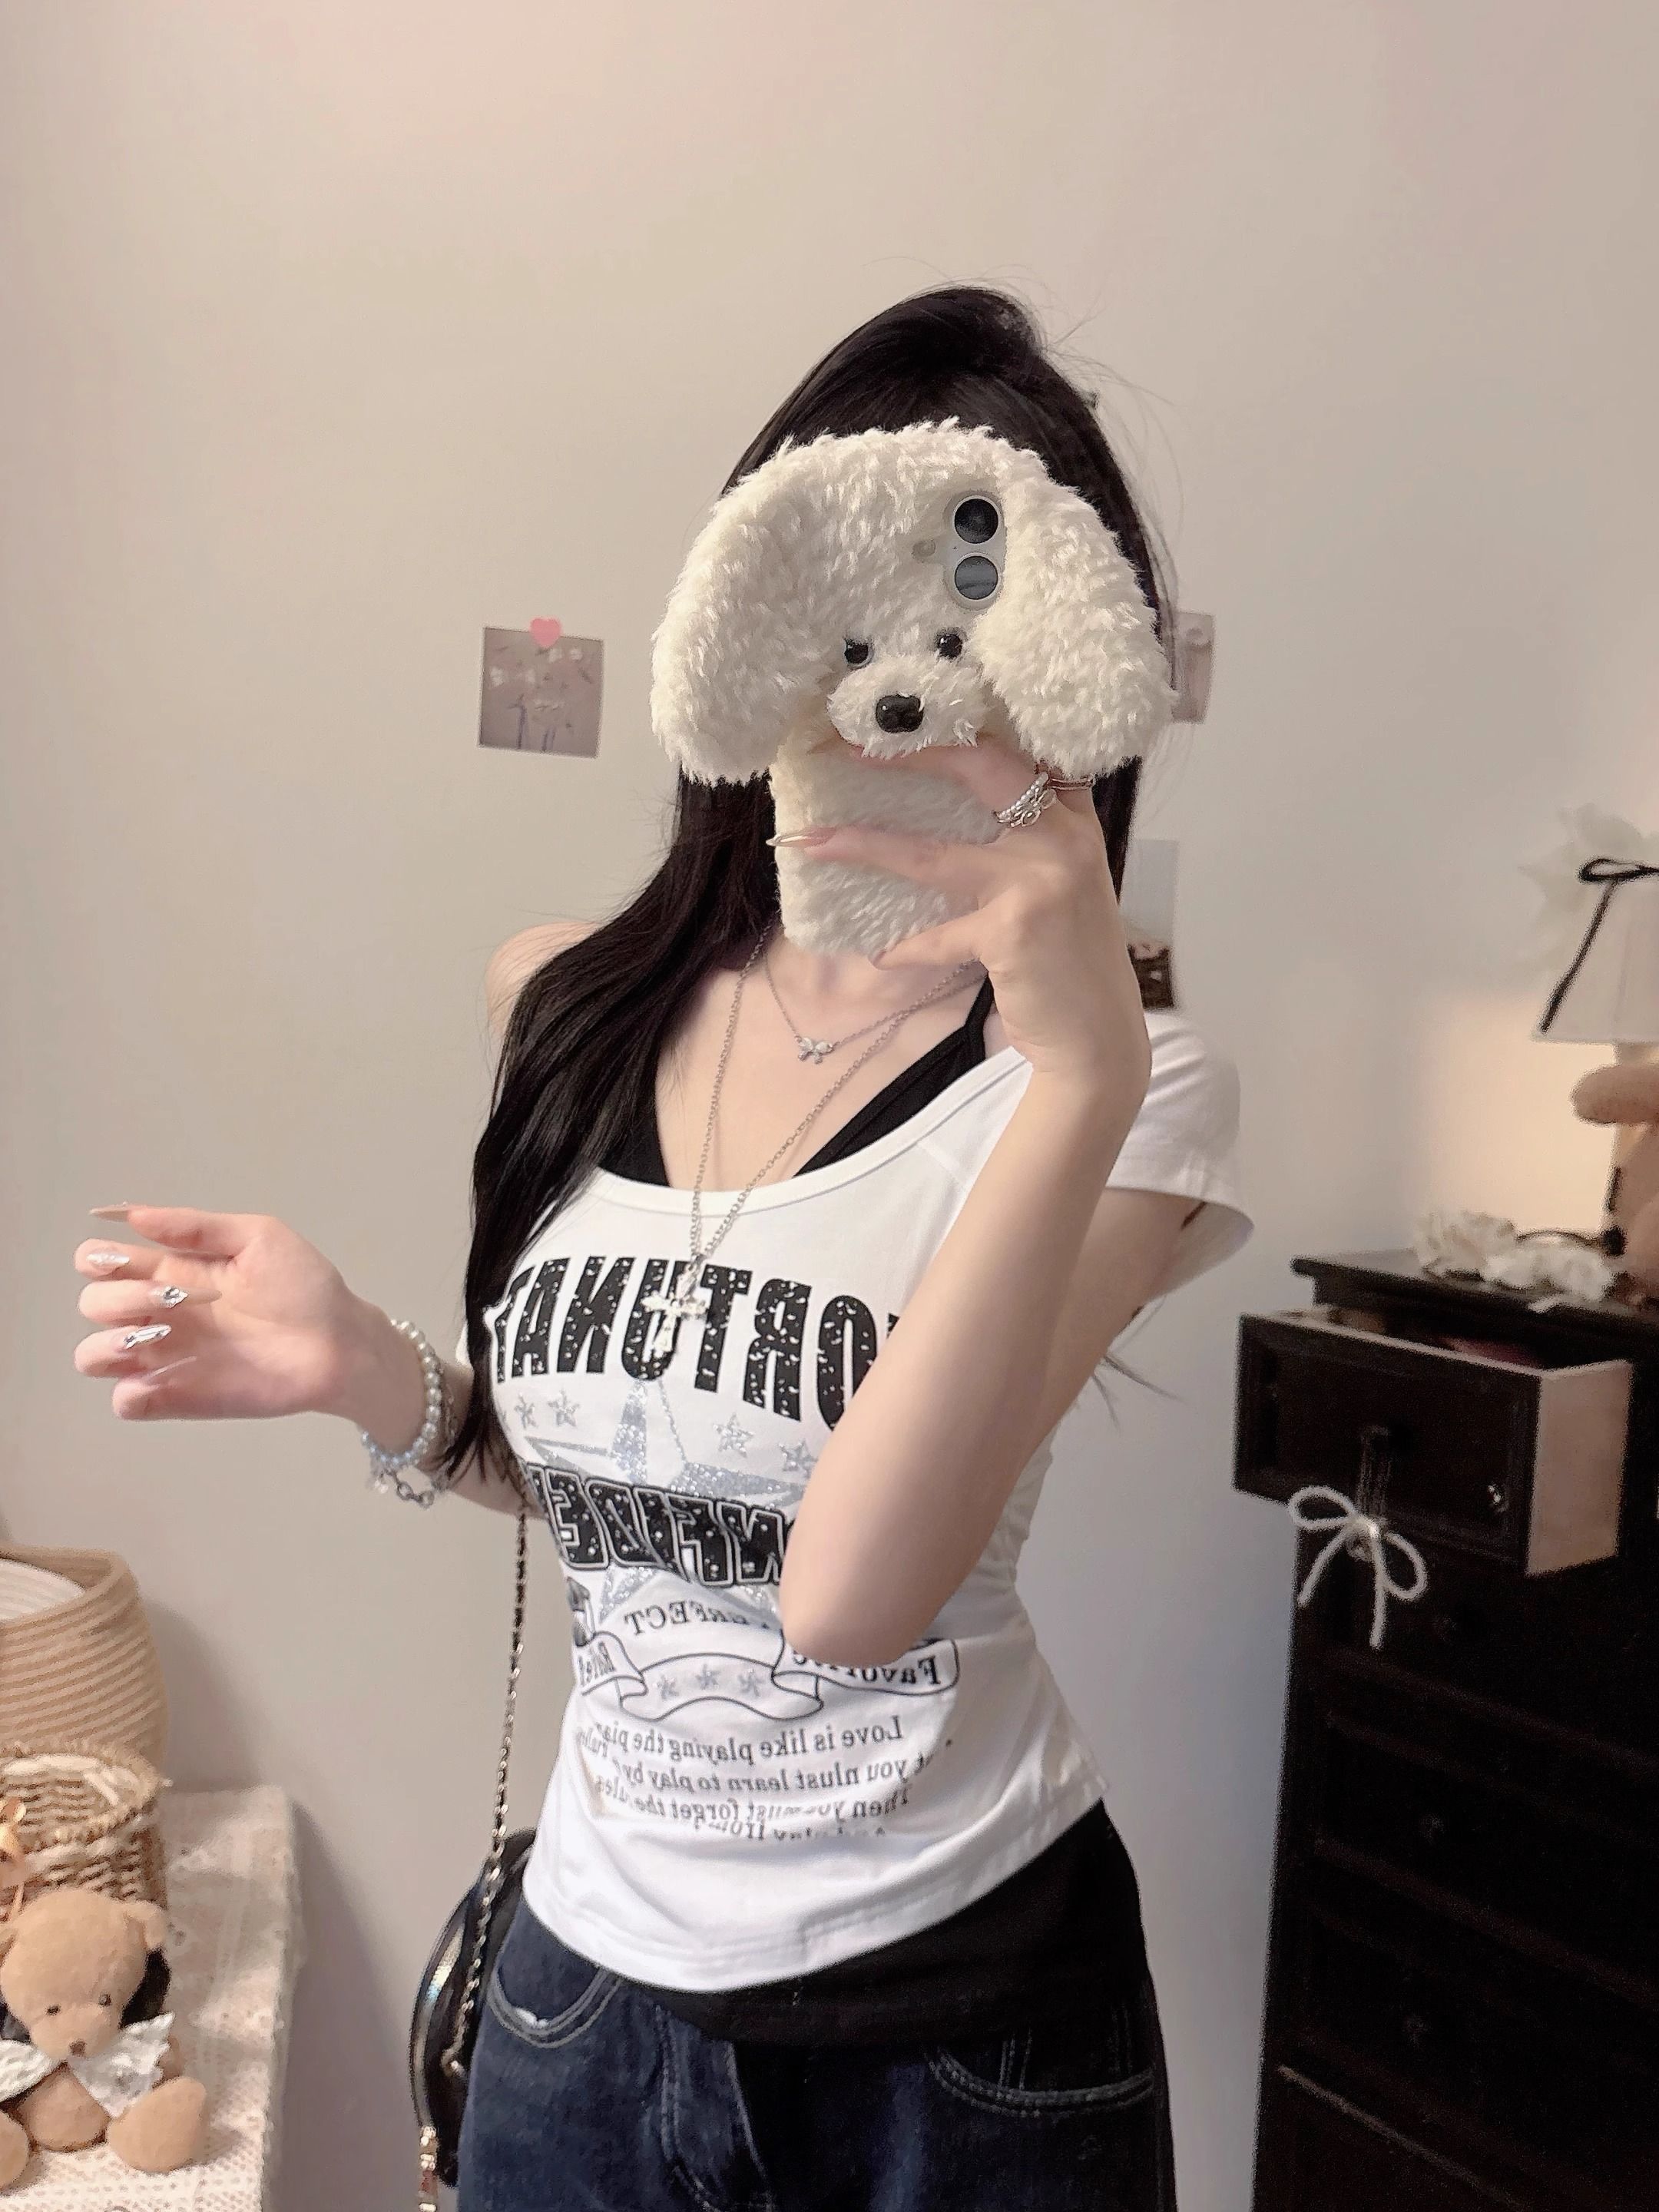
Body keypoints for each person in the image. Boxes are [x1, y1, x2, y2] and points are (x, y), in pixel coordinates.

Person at [72, 286, 1253, 2210]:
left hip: (966, 2034)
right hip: (585, 2003)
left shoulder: (1134, 1084)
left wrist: (1079, 1074)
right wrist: (367, 1368)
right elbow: (646, 1505)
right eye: (848, 598)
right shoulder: (565, 998)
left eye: (981, 605)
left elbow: (847, 1592)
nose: (911, 685)